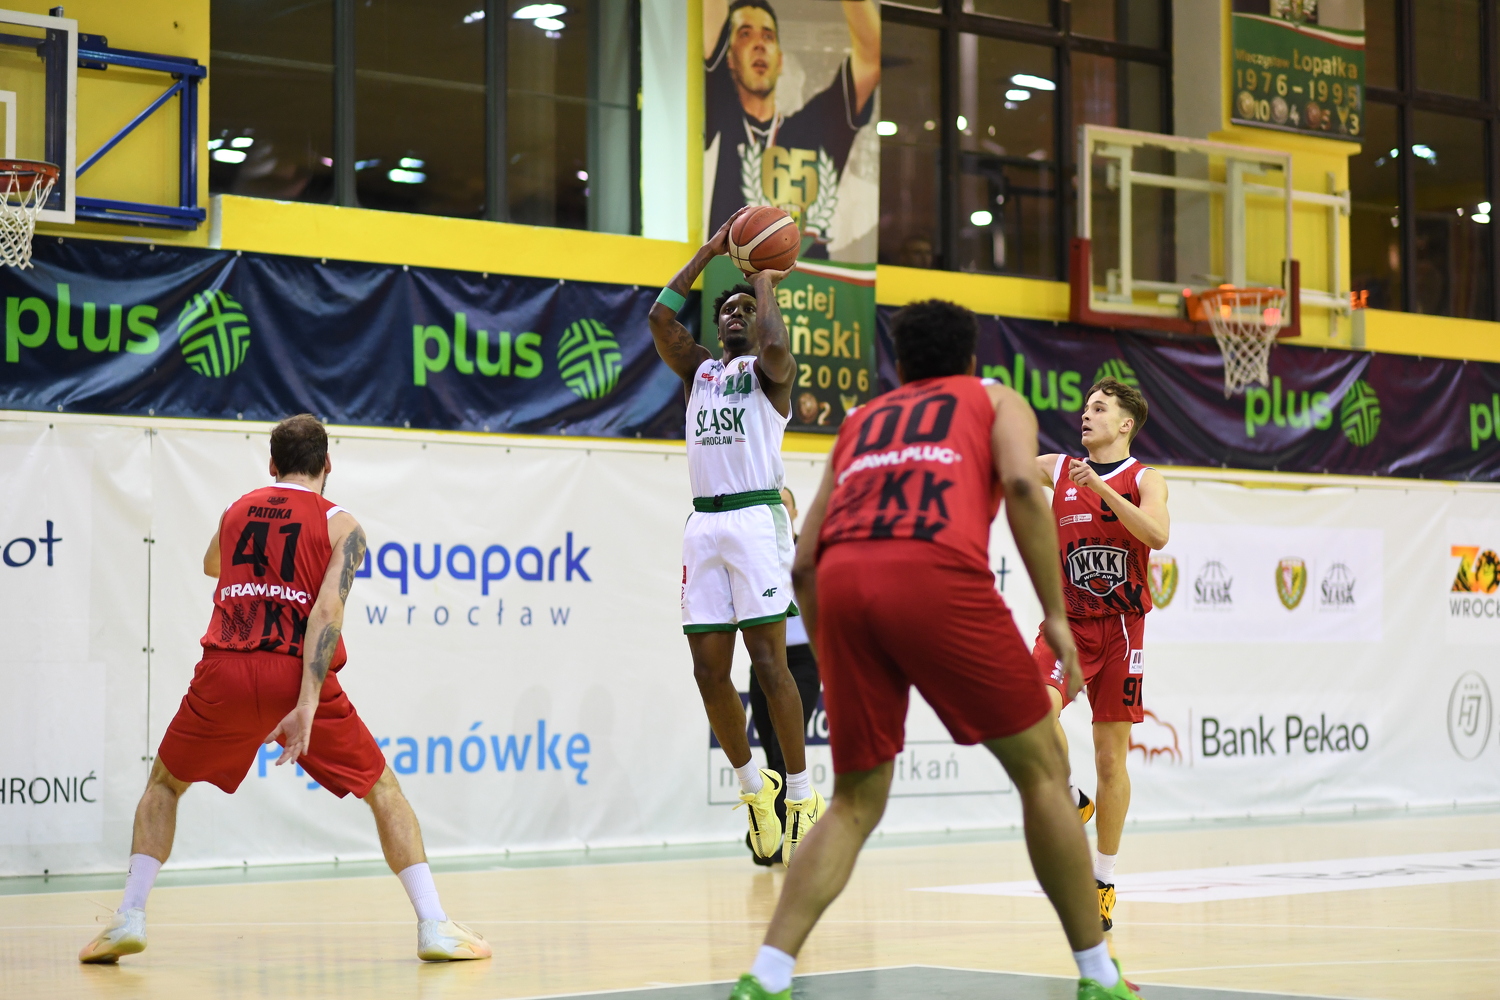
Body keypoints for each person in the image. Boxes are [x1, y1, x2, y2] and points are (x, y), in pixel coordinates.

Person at [726, 300, 1144, 1000]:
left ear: (902, 363)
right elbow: (1021, 484)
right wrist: (1054, 615)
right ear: (971, 360)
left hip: (844, 584)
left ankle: (766, 974)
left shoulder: (862, 420)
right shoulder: (994, 399)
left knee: (853, 803)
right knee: (1044, 772)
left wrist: (835, 653)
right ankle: (1098, 974)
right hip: (935, 576)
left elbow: (803, 561)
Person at [79, 415, 490, 965]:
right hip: (292, 675)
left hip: (225, 669)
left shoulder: (237, 508)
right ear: (327, 464)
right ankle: (434, 924)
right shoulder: (343, 527)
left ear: (271, 464)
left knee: (164, 785)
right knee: (383, 791)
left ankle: (129, 915)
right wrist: (306, 704)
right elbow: (327, 612)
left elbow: (211, 564)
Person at [649, 211, 826, 865]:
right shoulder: (699, 371)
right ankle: (756, 790)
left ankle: (801, 794)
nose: (734, 314)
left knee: (770, 663)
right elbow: (659, 318)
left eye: (745, 310)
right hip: (704, 524)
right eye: (726, 309)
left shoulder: (771, 375)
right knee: (707, 670)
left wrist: (765, 281)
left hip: (755, 520)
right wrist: (706, 252)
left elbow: (777, 348)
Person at [1032, 377, 1169, 933]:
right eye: (1086, 407)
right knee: (1031, 713)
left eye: (1099, 408)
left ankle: (1103, 879)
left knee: (1111, 760)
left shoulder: (1144, 478)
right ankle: (1071, 795)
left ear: (1125, 424)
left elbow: (1157, 534)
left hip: (1121, 630)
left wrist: (1103, 490)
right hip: (1068, 624)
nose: (1086, 415)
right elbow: (1003, 465)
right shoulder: (1059, 467)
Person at [703, 0, 880, 252]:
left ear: (780, 60)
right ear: (729, 58)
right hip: (727, 275)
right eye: (745, 34)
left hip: (807, 277)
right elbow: (713, 20)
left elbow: (870, 59)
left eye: (768, 36)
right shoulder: (718, 114)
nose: (759, 44)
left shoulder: (813, 128)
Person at [745, 487, 822, 867]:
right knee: (766, 749)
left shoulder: (806, 554)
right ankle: (769, 829)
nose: (776, 506)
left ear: (793, 512)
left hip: (802, 662)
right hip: (764, 661)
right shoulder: (754, 553)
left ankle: (790, 832)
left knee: (782, 746)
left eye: (783, 502)